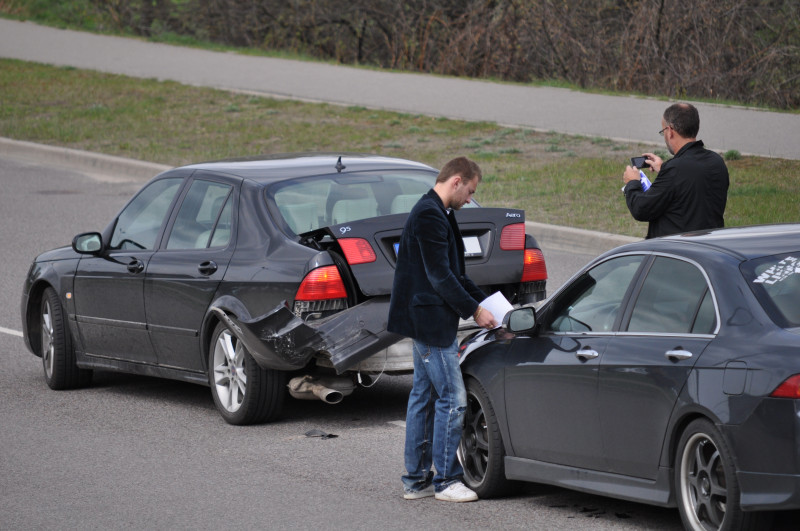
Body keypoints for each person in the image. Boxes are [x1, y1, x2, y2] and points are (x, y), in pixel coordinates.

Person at [388, 156, 497, 502]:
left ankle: (416, 480)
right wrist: (475, 311)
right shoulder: (429, 215)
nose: (469, 200)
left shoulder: (440, 213)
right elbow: (440, 277)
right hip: (431, 323)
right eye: (470, 192)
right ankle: (446, 481)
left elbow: (458, 275)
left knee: (424, 397)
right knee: (453, 399)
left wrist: (491, 305)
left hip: (428, 319)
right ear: (457, 180)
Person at [622, 102, 729, 239]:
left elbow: (641, 209)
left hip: (676, 252)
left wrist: (632, 183)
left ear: (670, 131)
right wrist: (664, 171)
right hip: (710, 247)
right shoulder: (716, 161)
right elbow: (691, 188)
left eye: (663, 132)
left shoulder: (675, 170)